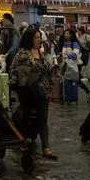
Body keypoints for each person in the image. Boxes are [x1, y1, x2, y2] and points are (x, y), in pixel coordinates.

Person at [10, 28, 57, 160]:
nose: (39, 40)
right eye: (36, 37)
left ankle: (45, 147)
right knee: (27, 117)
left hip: (42, 91)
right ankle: (26, 142)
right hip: (27, 91)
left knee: (43, 119)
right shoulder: (22, 54)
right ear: (30, 39)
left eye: (39, 37)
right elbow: (13, 70)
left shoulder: (41, 53)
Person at [59, 29, 90, 102]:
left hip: (74, 65)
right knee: (68, 80)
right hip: (66, 64)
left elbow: (76, 53)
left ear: (71, 34)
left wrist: (67, 56)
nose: (65, 35)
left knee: (76, 80)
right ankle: (66, 96)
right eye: (65, 33)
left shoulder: (75, 43)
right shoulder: (65, 43)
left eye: (67, 33)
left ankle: (88, 92)